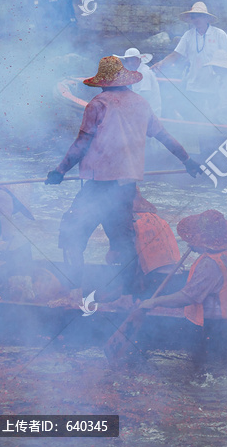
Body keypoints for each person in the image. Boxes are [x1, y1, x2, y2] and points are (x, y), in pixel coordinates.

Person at [45, 56, 200, 308]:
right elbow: (164, 137)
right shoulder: (141, 103)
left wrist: (60, 171)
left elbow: (81, 144)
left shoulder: (98, 104)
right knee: (121, 240)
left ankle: (74, 287)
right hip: (126, 186)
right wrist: (188, 160)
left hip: (99, 185)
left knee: (72, 232)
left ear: (103, 84)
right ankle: (126, 292)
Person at [139, 209, 227, 328]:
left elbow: (188, 297)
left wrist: (155, 302)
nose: (189, 243)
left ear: (204, 240)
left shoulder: (210, 263)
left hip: (216, 323)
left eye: (195, 238)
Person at [153, 2, 227, 118]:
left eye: (198, 16)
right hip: (193, 84)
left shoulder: (219, 34)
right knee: (195, 118)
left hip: (214, 84)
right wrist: (161, 63)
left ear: (206, 17)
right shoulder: (188, 35)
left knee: (213, 118)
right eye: (193, 17)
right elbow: (176, 54)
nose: (196, 19)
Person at [102, 189, 181, 303]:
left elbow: (120, 257)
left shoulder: (129, 222)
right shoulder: (154, 217)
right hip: (174, 277)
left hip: (155, 283)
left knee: (121, 259)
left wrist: (113, 250)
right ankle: (123, 293)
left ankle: (126, 298)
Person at [113, 47, 161, 116]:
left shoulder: (144, 72)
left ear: (138, 60)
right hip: (143, 112)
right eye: (127, 61)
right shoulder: (138, 71)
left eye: (132, 60)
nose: (129, 63)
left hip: (149, 114)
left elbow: (145, 95)